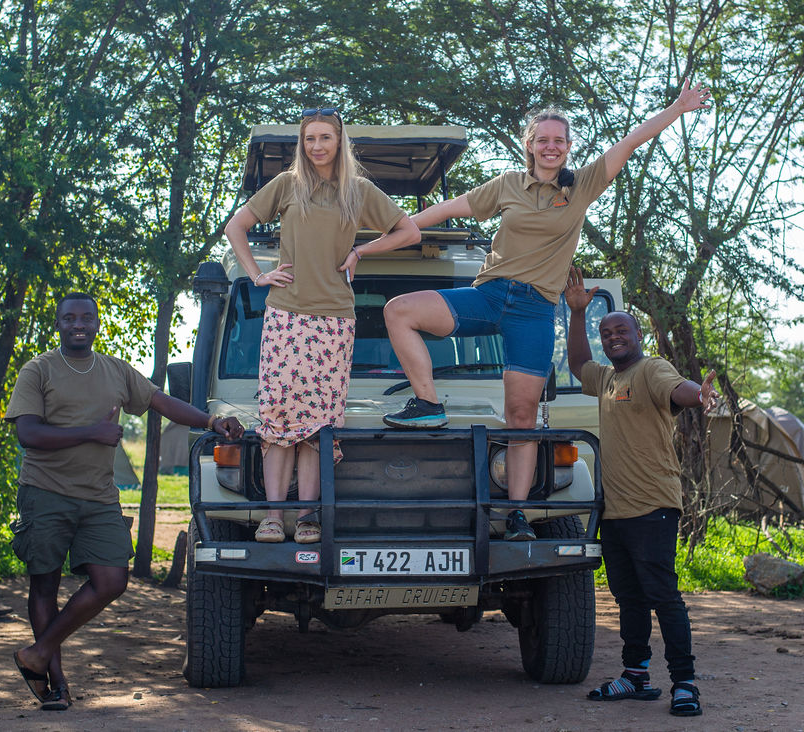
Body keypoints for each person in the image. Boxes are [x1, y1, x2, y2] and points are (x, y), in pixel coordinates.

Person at [382, 80, 712, 541]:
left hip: (534, 310)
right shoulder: (508, 185)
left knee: (522, 415)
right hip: (490, 295)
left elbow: (629, 142)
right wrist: (377, 239)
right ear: (529, 146)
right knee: (399, 311)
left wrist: (678, 107)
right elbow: (439, 212)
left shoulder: (582, 188)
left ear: (568, 146)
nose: (551, 146)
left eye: (559, 140)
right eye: (543, 139)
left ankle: (517, 516)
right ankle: (429, 403)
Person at [6, 292, 243, 710]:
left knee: (112, 579)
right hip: (44, 493)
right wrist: (90, 433)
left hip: (98, 498)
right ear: (58, 324)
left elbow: (160, 402)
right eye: (69, 318)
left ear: (97, 324)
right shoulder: (38, 370)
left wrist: (210, 421)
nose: (78, 324)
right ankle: (56, 684)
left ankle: (37, 653)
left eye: (86, 318)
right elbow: (28, 434)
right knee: (44, 585)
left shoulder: (115, 370)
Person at [225, 107, 420, 544]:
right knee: (276, 418)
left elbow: (408, 231)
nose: (317, 146)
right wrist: (258, 274)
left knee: (317, 424)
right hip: (285, 315)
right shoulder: (286, 185)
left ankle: (309, 517)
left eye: (325, 138)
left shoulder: (358, 191)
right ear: (302, 142)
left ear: (339, 141)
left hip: (335, 320)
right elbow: (235, 225)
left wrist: (361, 253)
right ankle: (274, 517)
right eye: (309, 138)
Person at [564, 268, 718, 717]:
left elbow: (679, 389)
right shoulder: (608, 381)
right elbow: (577, 365)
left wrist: (699, 395)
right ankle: (635, 675)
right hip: (615, 512)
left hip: (653, 507)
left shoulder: (650, 369)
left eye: (620, 330)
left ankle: (684, 683)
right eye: (606, 332)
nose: (613, 337)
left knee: (663, 596)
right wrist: (577, 315)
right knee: (628, 598)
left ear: (636, 335)